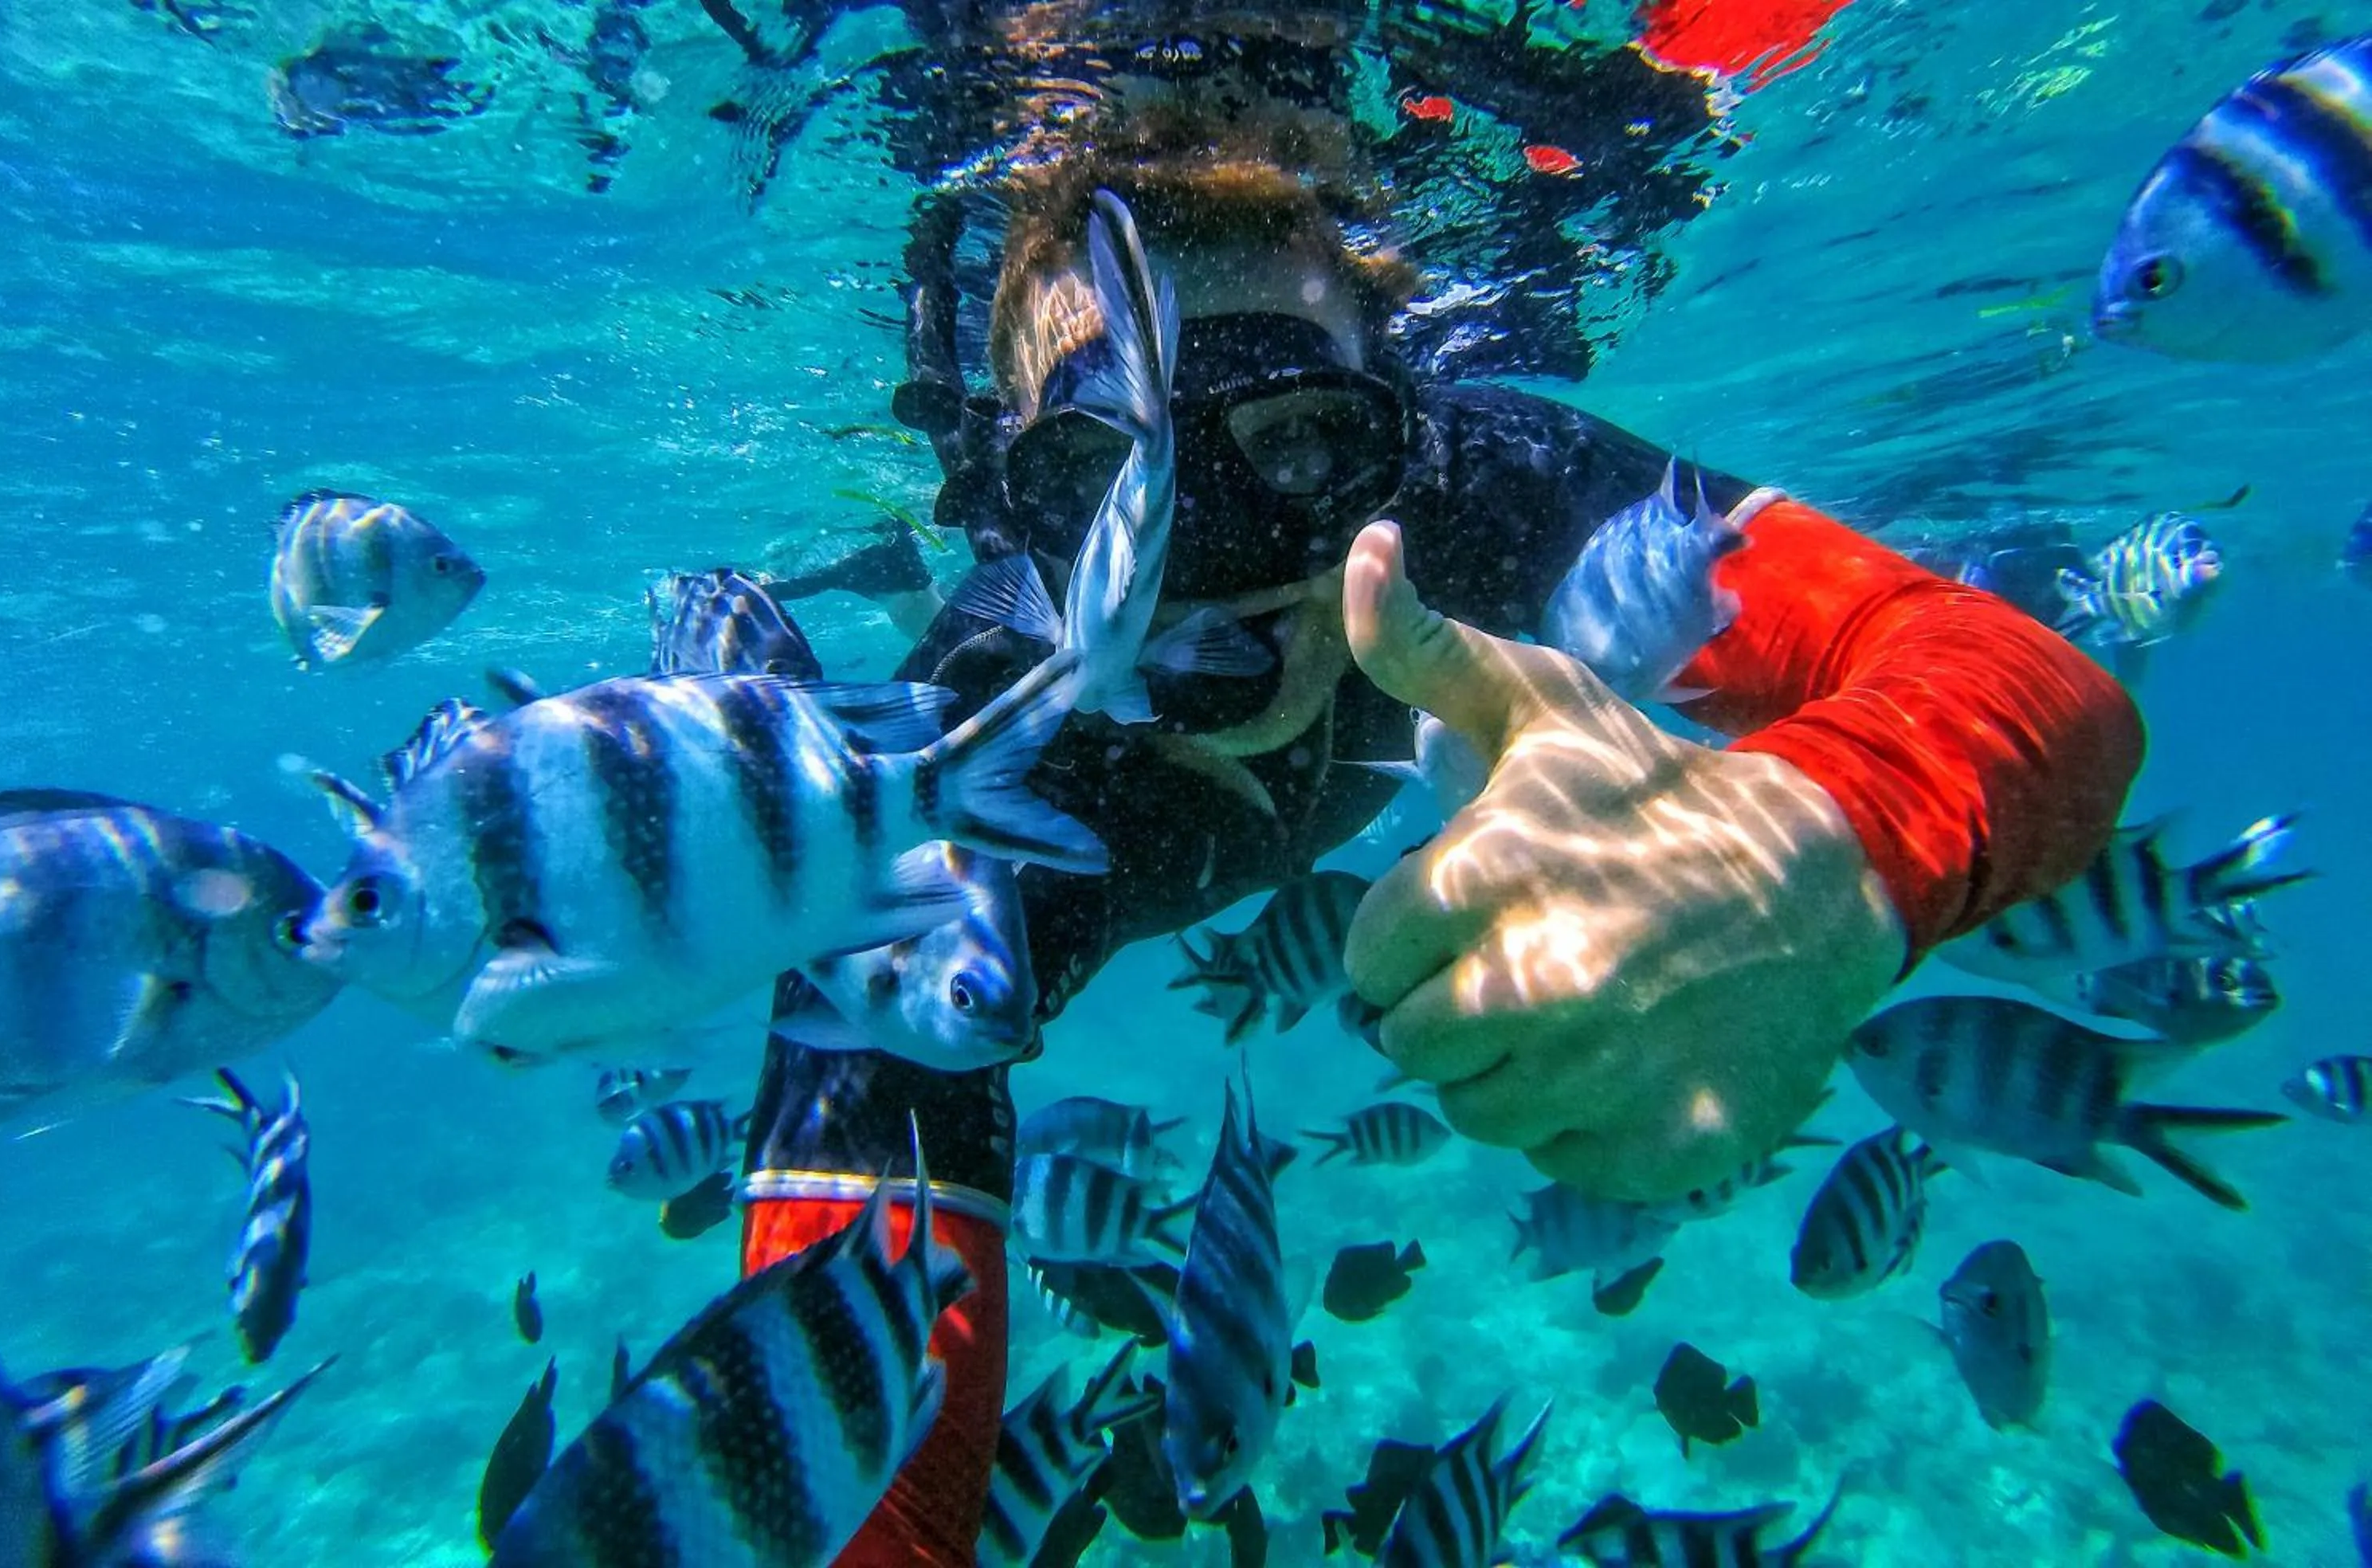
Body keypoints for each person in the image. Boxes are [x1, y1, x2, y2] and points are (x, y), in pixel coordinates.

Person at [718, 7, 2144, 1562]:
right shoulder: (951, 788)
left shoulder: (1480, 489)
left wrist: (1819, 840)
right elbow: (846, 1441)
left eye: (1300, 445)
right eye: (1104, 482)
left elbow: (2021, 678)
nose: (1208, 563)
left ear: (1391, 440)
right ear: (1010, 504)